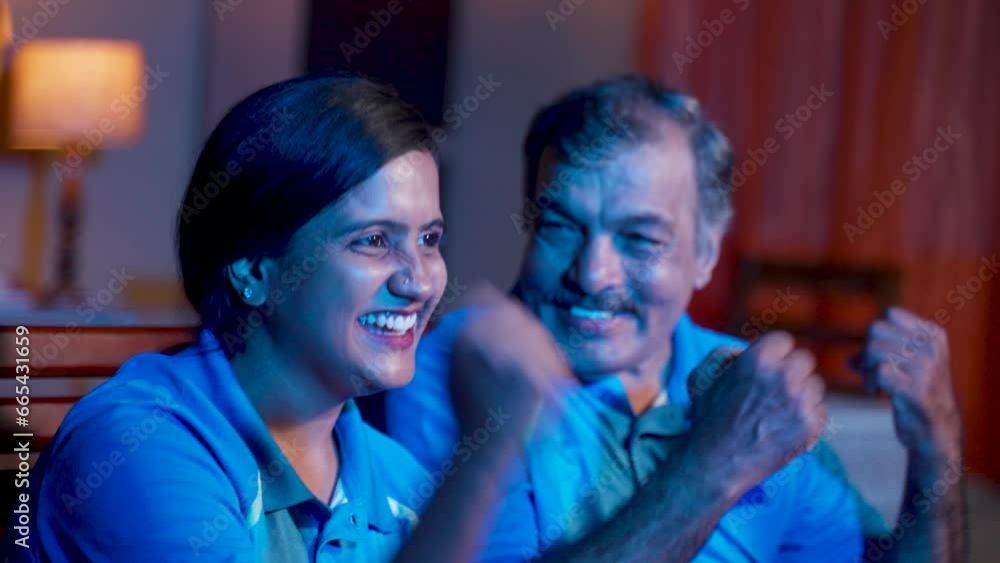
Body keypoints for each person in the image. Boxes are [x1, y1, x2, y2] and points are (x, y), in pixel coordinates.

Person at [387, 76, 966, 562]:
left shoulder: (747, 381)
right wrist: (719, 460)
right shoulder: (463, 367)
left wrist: (936, 445)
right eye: (561, 226)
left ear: (707, 251)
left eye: (640, 239)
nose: (592, 275)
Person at [1, 71, 568, 562]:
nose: (419, 281)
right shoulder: (131, 448)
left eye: (429, 238)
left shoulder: (397, 482)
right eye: (373, 240)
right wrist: (482, 463)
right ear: (252, 269)